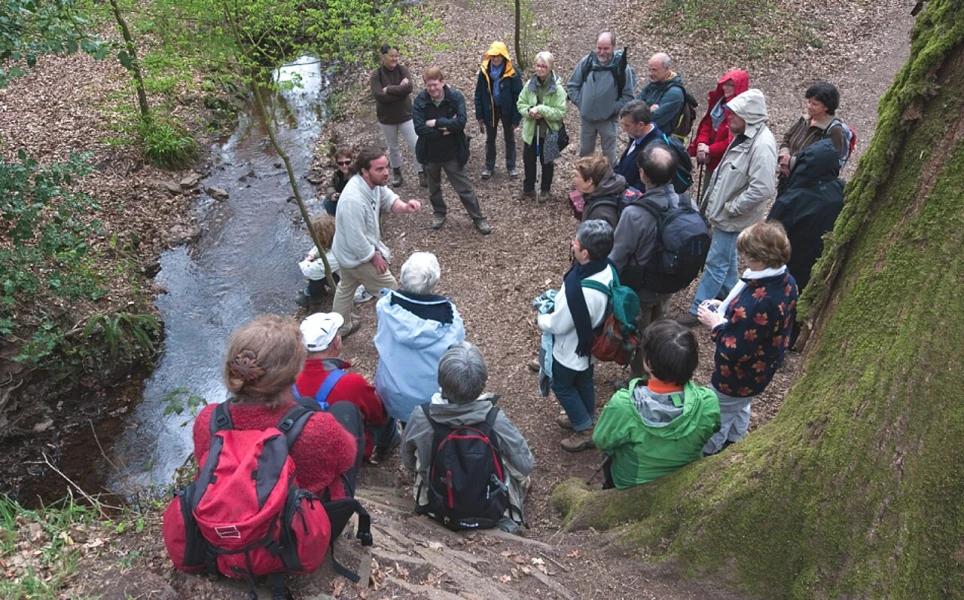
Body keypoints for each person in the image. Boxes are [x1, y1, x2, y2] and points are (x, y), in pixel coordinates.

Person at [193, 315, 361, 500]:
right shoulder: (318, 428)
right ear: (293, 374)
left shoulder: (208, 419)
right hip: (301, 520)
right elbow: (347, 459)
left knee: (307, 405)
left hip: (226, 515)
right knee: (345, 411)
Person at [401, 342, 533, 533]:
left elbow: (407, 459)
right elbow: (526, 464)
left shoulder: (423, 416)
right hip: (490, 509)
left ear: (441, 382)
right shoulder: (494, 420)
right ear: (482, 384)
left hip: (437, 505)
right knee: (519, 472)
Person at [696, 221, 798, 455]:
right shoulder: (786, 282)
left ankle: (709, 454)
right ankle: (737, 440)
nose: (745, 260)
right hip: (760, 373)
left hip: (736, 379)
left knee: (719, 414)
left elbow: (735, 350)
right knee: (741, 407)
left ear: (761, 259)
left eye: (749, 256)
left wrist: (715, 324)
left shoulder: (757, 302)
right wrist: (729, 308)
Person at [680, 89, 777, 327]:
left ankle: (698, 308)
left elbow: (763, 188)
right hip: (728, 214)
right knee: (727, 258)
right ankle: (731, 296)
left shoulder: (762, 145)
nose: (729, 118)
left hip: (734, 216)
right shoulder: (743, 134)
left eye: (735, 114)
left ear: (749, 116)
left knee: (716, 261)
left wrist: (733, 207)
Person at [593, 320, 721, 489]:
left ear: (649, 363)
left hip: (632, 484)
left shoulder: (623, 405)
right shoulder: (707, 403)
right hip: (684, 479)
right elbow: (713, 429)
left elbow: (602, 441)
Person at [538, 219, 615, 452]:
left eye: (576, 242)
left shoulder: (584, 291)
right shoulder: (607, 268)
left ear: (585, 253)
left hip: (570, 349)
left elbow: (559, 324)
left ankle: (584, 428)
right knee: (584, 380)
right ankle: (586, 417)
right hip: (588, 345)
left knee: (561, 385)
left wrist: (541, 318)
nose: (572, 244)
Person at [331, 148, 421, 337]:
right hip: (356, 256)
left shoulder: (374, 184)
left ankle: (340, 328)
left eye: (386, 167)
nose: (386, 172)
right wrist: (373, 256)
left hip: (347, 253)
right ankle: (404, 330)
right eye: (380, 169)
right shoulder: (353, 200)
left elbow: (388, 199)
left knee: (345, 288)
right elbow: (356, 239)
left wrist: (405, 206)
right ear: (365, 171)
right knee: (392, 291)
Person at [609, 145, 680, 378]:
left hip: (642, 290)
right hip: (668, 284)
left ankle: (639, 381)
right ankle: (664, 367)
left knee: (642, 338)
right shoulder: (684, 203)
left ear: (643, 175)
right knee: (661, 330)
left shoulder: (635, 214)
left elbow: (617, 257)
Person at [374, 252, 466, 428]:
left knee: (407, 422)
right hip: (430, 397)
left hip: (392, 390)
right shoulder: (449, 320)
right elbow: (458, 354)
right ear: (435, 281)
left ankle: (397, 441)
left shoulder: (385, 306)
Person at [767, 139, 844, 345]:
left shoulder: (793, 199)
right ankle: (793, 337)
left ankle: (774, 339)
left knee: (780, 301)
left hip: (790, 259)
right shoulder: (843, 193)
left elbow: (770, 232)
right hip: (819, 259)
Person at [294, 312, 398, 464]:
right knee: (386, 410)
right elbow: (378, 416)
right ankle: (386, 446)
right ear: (336, 342)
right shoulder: (351, 383)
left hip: (303, 446)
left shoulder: (289, 377)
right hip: (346, 451)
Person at [413, 68, 492, 234]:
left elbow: (461, 122)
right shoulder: (420, 101)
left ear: (442, 82)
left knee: (464, 188)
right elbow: (419, 129)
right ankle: (439, 212)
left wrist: (435, 122)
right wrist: (446, 128)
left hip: (452, 153)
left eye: (435, 84)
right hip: (430, 154)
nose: (432, 89)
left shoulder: (455, 97)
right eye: (429, 86)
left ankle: (478, 217)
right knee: (433, 188)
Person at [567, 32, 636, 165]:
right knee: (585, 154)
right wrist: (581, 103)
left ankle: (609, 183)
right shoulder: (587, 62)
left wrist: (611, 109)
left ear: (614, 47)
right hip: (587, 119)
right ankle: (585, 182)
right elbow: (572, 85)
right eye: (599, 48)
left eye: (606, 48)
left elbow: (628, 96)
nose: (602, 52)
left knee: (609, 156)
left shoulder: (621, 68)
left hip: (608, 120)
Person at [370, 44, 424, 188]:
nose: (394, 59)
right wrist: (400, 91)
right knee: (393, 147)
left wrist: (389, 89)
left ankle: (421, 173)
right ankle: (397, 173)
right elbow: (380, 96)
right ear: (383, 56)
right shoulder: (377, 75)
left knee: (415, 143)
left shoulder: (402, 70)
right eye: (391, 56)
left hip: (406, 115)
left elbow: (409, 88)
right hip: (387, 119)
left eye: (396, 56)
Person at [517, 51, 567, 202]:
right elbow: (521, 103)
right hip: (532, 131)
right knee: (528, 160)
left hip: (550, 132)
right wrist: (528, 112)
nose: (539, 69)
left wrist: (541, 109)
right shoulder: (529, 85)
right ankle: (529, 187)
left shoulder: (557, 89)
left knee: (547, 162)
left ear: (550, 67)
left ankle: (545, 188)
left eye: (543, 66)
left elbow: (560, 112)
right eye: (537, 66)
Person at [296, 213, 374, 307]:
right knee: (319, 268)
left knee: (315, 274)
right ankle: (313, 293)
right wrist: (311, 255)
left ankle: (314, 297)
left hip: (359, 288)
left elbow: (310, 271)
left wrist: (306, 261)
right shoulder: (343, 235)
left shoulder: (336, 254)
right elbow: (320, 247)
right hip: (360, 275)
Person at [779, 82, 847, 184]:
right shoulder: (804, 120)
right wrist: (784, 156)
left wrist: (791, 162)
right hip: (787, 179)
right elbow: (787, 138)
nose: (809, 106)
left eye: (814, 104)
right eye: (809, 102)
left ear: (826, 107)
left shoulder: (834, 131)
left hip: (807, 186)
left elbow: (826, 163)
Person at [474, 41, 523, 180]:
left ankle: (511, 166)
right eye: (493, 56)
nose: (496, 59)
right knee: (490, 139)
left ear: (504, 57)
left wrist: (516, 117)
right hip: (490, 108)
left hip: (507, 109)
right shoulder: (484, 71)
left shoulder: (512, 72)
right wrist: (480, 115)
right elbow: (479, 93)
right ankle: (489, 166)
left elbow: (518, 96)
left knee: (510, 138)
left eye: (499, 56)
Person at [688, 70, 750, 176]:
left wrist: (710, 150)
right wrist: (702, 144)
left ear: (739, 87)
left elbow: (732, 140)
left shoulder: (741, 112)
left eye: (730, 85)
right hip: (711, 161)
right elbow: (707, 124)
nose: (725, 87)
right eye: (724, 84)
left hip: (728, 165)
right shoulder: (719, 103)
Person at [614, 100, 662, 190]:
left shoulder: (654, 149)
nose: (624, 129)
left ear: (640, 125)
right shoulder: (637, 135)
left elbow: (645, 185)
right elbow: (622, 166)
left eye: (627, 125)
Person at [635, 53, 686, 135]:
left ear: (666, 69)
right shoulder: (652, 84)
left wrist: (642, 112)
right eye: (649, 69)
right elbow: (633, 106)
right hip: (641, 136)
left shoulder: (674, 93)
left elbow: (656, 119)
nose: (650, 74)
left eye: (654, 70)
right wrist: (648, 110)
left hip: (659, 140)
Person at [574, 154, 625, 227]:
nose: (574, 179)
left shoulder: (600, 214)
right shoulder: (606, 191)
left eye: (576, 176)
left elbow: (598, 238)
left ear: (589, 181)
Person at [322, 147, 353, 215]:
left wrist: (342, 196)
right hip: (340, 201)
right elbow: (330, 186)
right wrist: (332, 194)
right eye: (341, 163)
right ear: (337, 164)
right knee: (326, 201)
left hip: (351, 205)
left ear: (352, 161)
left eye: (347, 162)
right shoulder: (338, 174)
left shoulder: (356, 176)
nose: (344, 166)